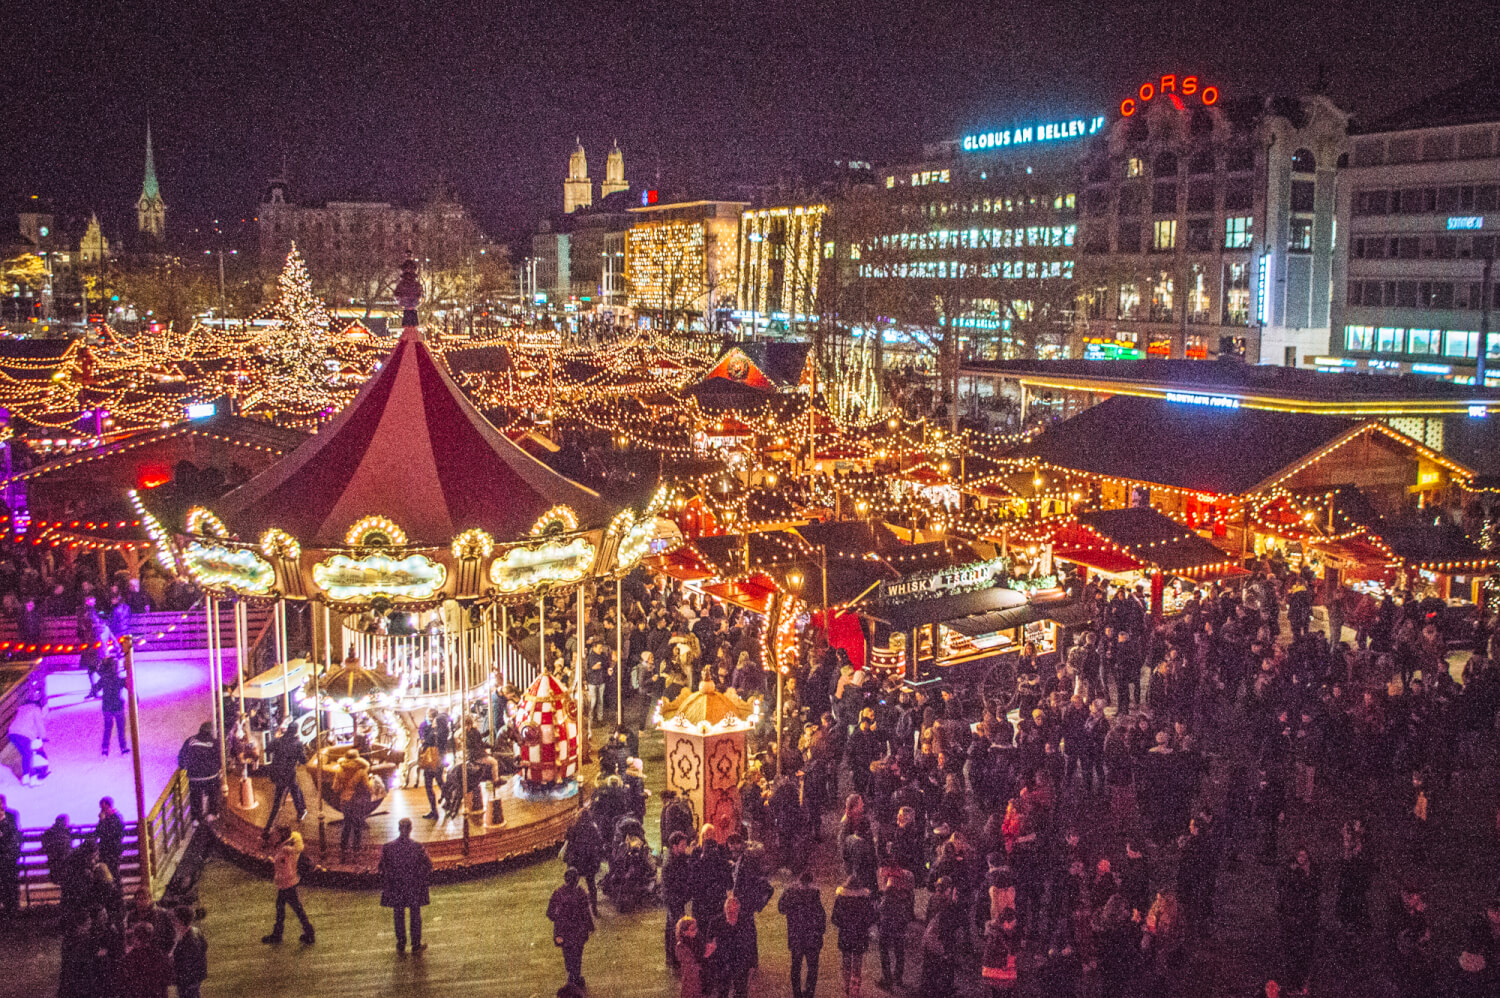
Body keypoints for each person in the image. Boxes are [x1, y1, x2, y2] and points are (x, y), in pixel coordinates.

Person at [379, 817, 432, 953]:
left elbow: (382, 867)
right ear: (410, 829)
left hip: (396, 886)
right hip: (413, 886)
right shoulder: (417, 847)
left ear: (398, 828)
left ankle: (401, 944)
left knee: (398, 915)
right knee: (415, 915)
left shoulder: (388, 848)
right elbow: (428, 865)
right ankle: (415, 945)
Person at [1275, 846, 1320, 994]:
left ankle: (1301, 985)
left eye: (1304, 855)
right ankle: (1292, 985)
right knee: (1291, 953)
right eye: (1299, 855)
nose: (1301, 858)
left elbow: (1315, 891)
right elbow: (1284, 891)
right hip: (1293, 917)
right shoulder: (1290, 872)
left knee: (1304, 953)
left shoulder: (1312, 872)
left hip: (1306, 918)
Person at [262, 825, 315, 945]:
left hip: (286, 884)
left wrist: (279, 878)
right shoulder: (285, 847)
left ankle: (279, 934)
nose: (273, 836)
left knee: (291, 908)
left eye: (276, 834)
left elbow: (285, 866)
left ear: (281, 835)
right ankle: (307, 932)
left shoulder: (285, 849)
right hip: (288, 883)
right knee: (289, 908)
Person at [778, 869, 826, 998]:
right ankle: (809, 993)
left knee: (796, 967)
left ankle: (797, 994)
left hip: (796, 936)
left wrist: (786, 893)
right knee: (812, 968)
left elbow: (781, 908)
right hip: (812, 938)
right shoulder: (815, 895)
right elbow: (821, 916)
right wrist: (820, 932)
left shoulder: (791, 894)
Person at [547, 866, 595, 990]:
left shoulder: (558, 893)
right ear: (577, 879)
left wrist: (560, 919)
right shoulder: (581, 893)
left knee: (567, 954)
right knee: (577, 955)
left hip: (563, 932)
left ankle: (571, 975)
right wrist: (590, 926)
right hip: (579, 932)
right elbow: (586, 913)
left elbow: (550, 914)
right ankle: (576, 977)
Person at [831, 873, 877, 998]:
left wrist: (843, 924)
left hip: (845, 933)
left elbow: (834, 918)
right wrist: (863, 925)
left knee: (846, 960)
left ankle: (846, 986)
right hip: (860, 934)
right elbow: (872, 917)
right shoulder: (864, 899)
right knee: (857, 961)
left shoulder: (841, 898)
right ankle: (855, 987)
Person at [261, 720, 308, 839]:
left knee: (292, 791)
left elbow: (267, 750)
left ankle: (301, 810)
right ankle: (268, 829)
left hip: (277, 773)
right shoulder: (297, 744)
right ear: (296, 731)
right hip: (288, 774)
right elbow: (303, 761)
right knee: (289, 794)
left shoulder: (278, 741)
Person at [707, 893, 757, 998]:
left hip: (741, 961)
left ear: (739, 910)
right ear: (725, 909)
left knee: (741, 991)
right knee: (722, 990)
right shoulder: (716, 922)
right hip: (723, 962)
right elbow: (709, 943)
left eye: (735, 912)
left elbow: (752, 942)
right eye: (730, 911)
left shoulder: (746, 921)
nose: (732, 914)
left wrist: (753, 962)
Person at [176, 722, 221, 823]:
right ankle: (212, 813)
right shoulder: (214, 742)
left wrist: (183, 766)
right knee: (213, 791)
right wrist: (218, 768)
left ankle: (196, 818)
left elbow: (182, 756)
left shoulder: (190, 740)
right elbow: (219, 757)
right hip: (210, 775)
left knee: (195, 795)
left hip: (195, 776)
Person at [663, 831, 695, 969]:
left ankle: (672, 956)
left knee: (672, 927)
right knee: (674, 928)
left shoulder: (677, 858)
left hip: (677, 899)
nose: (684, 847)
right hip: (674, 900)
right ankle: (674, 957)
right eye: (682, 845)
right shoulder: (670, 864)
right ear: (674, 847)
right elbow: (675, 886)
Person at [119, 921, 173, 998]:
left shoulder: (130, 958)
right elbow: (168, 978)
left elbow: (125, 983)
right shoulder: (160, 954)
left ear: (136, 937)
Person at [170, 905, 209, 998]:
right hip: (194, 979)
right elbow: (205, 946)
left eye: (174, 919)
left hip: (188, 982)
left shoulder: (188, 942)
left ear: (180, 921)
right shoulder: (196, 932)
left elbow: (186, 965)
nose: (173, 922)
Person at [8, 695, 46, 786]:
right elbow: (39, 724)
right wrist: (43, 736)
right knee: (30, 755)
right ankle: (33, 779)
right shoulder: (36, 709)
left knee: (26, 755)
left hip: (12, 733)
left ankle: (25, 778)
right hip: (23, 734)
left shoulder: (22, 709)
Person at [675, 914, 713, 998]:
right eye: (692, 929)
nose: (695, 931)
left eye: (695, 928)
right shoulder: (681, 946)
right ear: (684, 932)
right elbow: (689, 964)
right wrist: (705, 956)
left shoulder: (698, 939)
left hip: (702, 977)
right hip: (692, 979)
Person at [98, 659, 128, 755]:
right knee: (120, 728)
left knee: (107, 728)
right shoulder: (118, 679)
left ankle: (105, 748)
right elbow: (128, 685)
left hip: (107, 706)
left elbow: (95, 688)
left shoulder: (103, 679)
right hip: (117, 706)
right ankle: (123, 747)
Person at [96, 797, 125, 880]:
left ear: (109, 806)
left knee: (114, 871)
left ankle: (117, 890)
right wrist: (101, 820)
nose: (102, 810)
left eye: (103, 808)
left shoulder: (117, 818)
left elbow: (109, 833)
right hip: (105, 849)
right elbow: (98, 832)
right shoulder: (106, 818)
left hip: (113, 849)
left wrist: (103, 821)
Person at [0, 795, 19, 918]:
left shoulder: (11, 815)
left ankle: (11, 907)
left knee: (9, 881)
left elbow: (14, 833)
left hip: (8, 855)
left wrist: (3, 821)